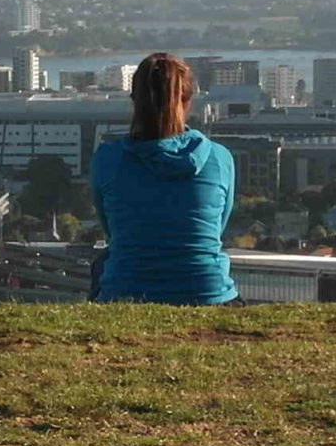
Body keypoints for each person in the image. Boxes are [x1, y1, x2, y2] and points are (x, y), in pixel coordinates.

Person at [88, 51, 238, 304]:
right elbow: (216, 228)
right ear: (188, 101)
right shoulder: (219, 158)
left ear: (135, 101)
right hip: (207, 292)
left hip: (126, 290)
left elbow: (112, 230)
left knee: (102, 263)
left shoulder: (107, 159)